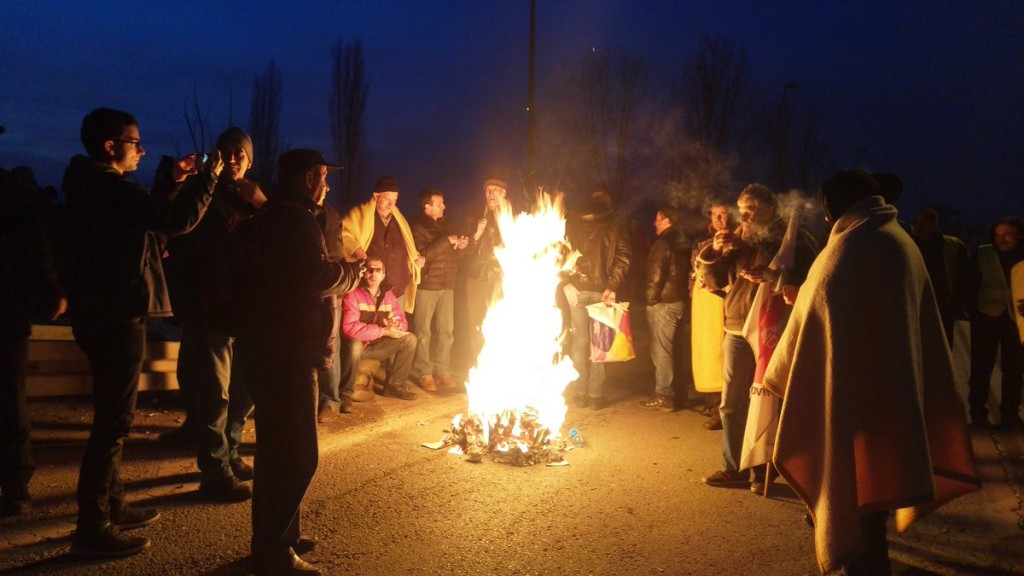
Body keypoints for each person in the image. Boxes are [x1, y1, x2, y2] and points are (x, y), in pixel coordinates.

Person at [763, 170, 979, 575]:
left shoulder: (852, 248)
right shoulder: (896, 240)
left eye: (827, 213)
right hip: (892, 397)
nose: (827, 222)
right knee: (870, 502)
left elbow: (817, 315)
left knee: (857, 499)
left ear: (835, 208)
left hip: (855, 405)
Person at [62, 107, 219, 557]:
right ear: (110, 146)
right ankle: (92, 527)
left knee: (114, 417)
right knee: (113, 423)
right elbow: (172, 221)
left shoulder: (95, 186)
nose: (142, 150)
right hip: (115, 314)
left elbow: (146, 221)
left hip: (108, 311)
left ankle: (112, 505)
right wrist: (206, 179)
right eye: (135, 142)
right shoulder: (105, 187)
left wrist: (170, 182)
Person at [240, 149, 362, 575]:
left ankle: (278, 538)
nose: (327, 185)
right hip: (285, 349)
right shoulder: (291, 219)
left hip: (274, 345)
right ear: (309, 177)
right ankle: (272, 552)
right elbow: (315, 275)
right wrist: (351, 274)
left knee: (278, 450)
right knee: (296, 455)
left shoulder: (277, 214)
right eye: (324, 177)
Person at [164, 127, 265, 501]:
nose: (234, 158)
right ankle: (215, 470)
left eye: (241, 153)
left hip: (247, 309)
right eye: (228, 151)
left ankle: (232, 450)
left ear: (250, 160)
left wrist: (261, 204)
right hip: (210, 306)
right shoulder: (202, 192)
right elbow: (183, 235)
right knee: (215, 393)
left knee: (245, 388)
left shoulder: (254, 198)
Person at [696, 183, 817, 490]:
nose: (747, 215)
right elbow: (713, 281)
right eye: (744, 209)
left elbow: (811, 279)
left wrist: (774, 278)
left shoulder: (792, 239)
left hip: (773, 330)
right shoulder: (739, 240)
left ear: (772, 209)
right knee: (732, 404)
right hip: (737, 327)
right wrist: (715, 250)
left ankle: (765, 470)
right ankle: (734, 468)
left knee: (769, 400)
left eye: (754, 209)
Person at [0, 168, 66, 517]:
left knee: (10, 397)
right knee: (10, 397)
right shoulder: (13, 190)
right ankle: (15, 482)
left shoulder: (10, 191)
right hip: (8, 308)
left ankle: (15, 482)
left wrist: (51, 287)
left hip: (6, 309)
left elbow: (34, 242)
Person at [563, 190, 632, 410]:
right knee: (600, 343)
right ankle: (595, 394)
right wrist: (612, 285)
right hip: (603, 292)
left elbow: (560, 255)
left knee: (579, 342)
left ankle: (580, 391)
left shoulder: (572, 225)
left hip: (577, 290)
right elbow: (623, 258)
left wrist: (566, 283)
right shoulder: (615, 226)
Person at [966, 217, 1024, 429]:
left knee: (1014, 368)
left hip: (1016, 319)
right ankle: (978, 414)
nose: (1003, 239)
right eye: (998, 234)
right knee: (981, 367)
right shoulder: (983, 252)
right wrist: (972, 309)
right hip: (986, 317)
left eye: (1007, 234)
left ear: (1018, 234)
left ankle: (1010, 413)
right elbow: (970, 281)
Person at [410, 188, 468, 392]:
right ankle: (424, 372)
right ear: (427, 206)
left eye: (443, 203)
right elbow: (422, 255)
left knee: (447, 332)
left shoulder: (447, 225)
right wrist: (447, 241)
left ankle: (443, 370)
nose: (444, 206)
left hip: (447, 285)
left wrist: (459, 247)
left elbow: (452, 257)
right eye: (439, 203)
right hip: (427, 286)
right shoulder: (417, 226)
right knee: (423, 332)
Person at [340, 256, 420, 400]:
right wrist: (382, 331)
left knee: (409, 339)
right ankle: (345, 393)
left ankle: (394, 385)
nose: (374, 274)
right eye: (370, 270)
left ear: (383, 275)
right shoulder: (353, 293)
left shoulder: (388, 295)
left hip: (376, 346)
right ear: (364, 273)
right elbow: (349, 327)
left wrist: (395, 325)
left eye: (378, 271)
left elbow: (401, 319)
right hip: (357, 348)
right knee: (354, 345)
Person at [340, 176, 423, 311]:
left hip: (397, 290)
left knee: (396, 328)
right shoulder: (360, 215)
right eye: (387, 199)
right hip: (369, 290)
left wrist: (417, 258)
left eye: (394, 200)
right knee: (369, 329)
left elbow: (409, 246)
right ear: (376, 196)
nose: (391, 204)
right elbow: (343, 235)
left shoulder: (399, 220)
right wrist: (356, 248)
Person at [639, 206, 690, 412]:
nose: (654, 223)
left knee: (662, 351)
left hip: (664, 303)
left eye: (658, 220)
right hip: (679, 301)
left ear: (667, 221)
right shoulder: (684, 243)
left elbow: (656, 274)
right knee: (674, 349)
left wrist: (651, 299)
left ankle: (664, 395)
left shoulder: (663, 243)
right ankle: (679, 394)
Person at [691, 199, 733, 430]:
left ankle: (737, 409)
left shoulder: (742, 240)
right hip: (710, 310)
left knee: (733, 359)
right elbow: (697, 273)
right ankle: (718, 408)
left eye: (724, 214)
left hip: (735, 308)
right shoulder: (702, 244)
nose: (720, 220)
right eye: (716, 215)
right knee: (713, 355)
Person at [460, 177, 509, 374]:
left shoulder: (512, 218)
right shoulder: (473, 217)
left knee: (502, 324)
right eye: (488, 190)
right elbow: (462, 252)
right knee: (476, 325)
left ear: (504, 194)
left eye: (495, 190)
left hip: (501, 281)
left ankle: (501, 369)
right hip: (477, 279)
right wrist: (477, 234)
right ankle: (479, 369)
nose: (490, 194)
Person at [912, 207, 970, 344]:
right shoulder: (911, 245)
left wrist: (959, 302)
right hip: (917, 304)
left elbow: (966, 275)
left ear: (934, 224)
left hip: (943, 305)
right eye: (917, 222)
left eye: (924, 223)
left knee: (942, 344)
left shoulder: (952, 245)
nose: (918, 227)